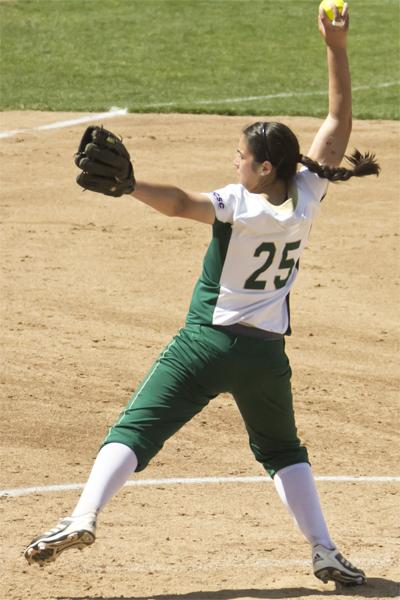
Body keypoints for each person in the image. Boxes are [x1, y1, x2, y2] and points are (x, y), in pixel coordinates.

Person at [24, 4, 379, 586]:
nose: (234, 161)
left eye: (241, 157)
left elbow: (180, 203)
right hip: (265, 356)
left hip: (204, 344)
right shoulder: (308, 193)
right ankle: (324, 550)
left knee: (134, 431)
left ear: (265, 167)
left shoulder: (239, 204)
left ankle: (82, 515)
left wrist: (130, 185)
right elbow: (337, 122)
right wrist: (335, 48)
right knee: (283, 449)